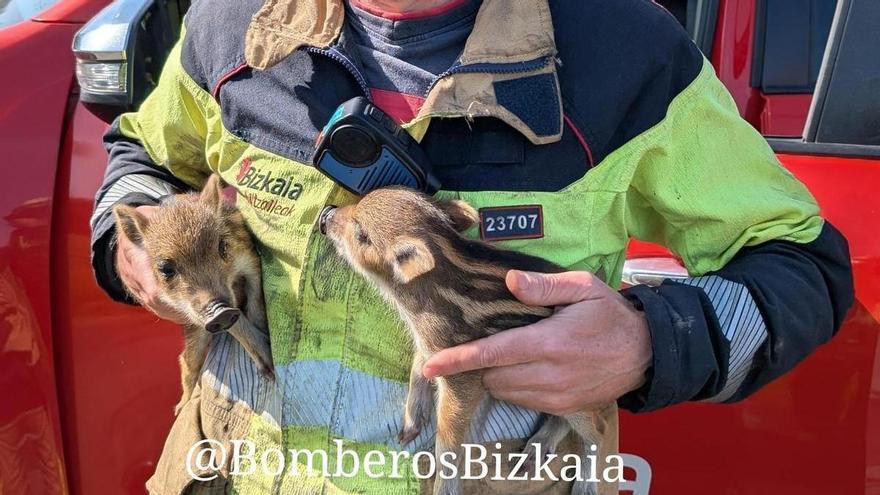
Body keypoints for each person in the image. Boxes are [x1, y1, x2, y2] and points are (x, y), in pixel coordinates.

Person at [89, 0, 854, 493]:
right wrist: (133, 238)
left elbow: (803, 261)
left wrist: (648, 340)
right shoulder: (230, 27)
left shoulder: (628, 57)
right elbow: (147, 156)